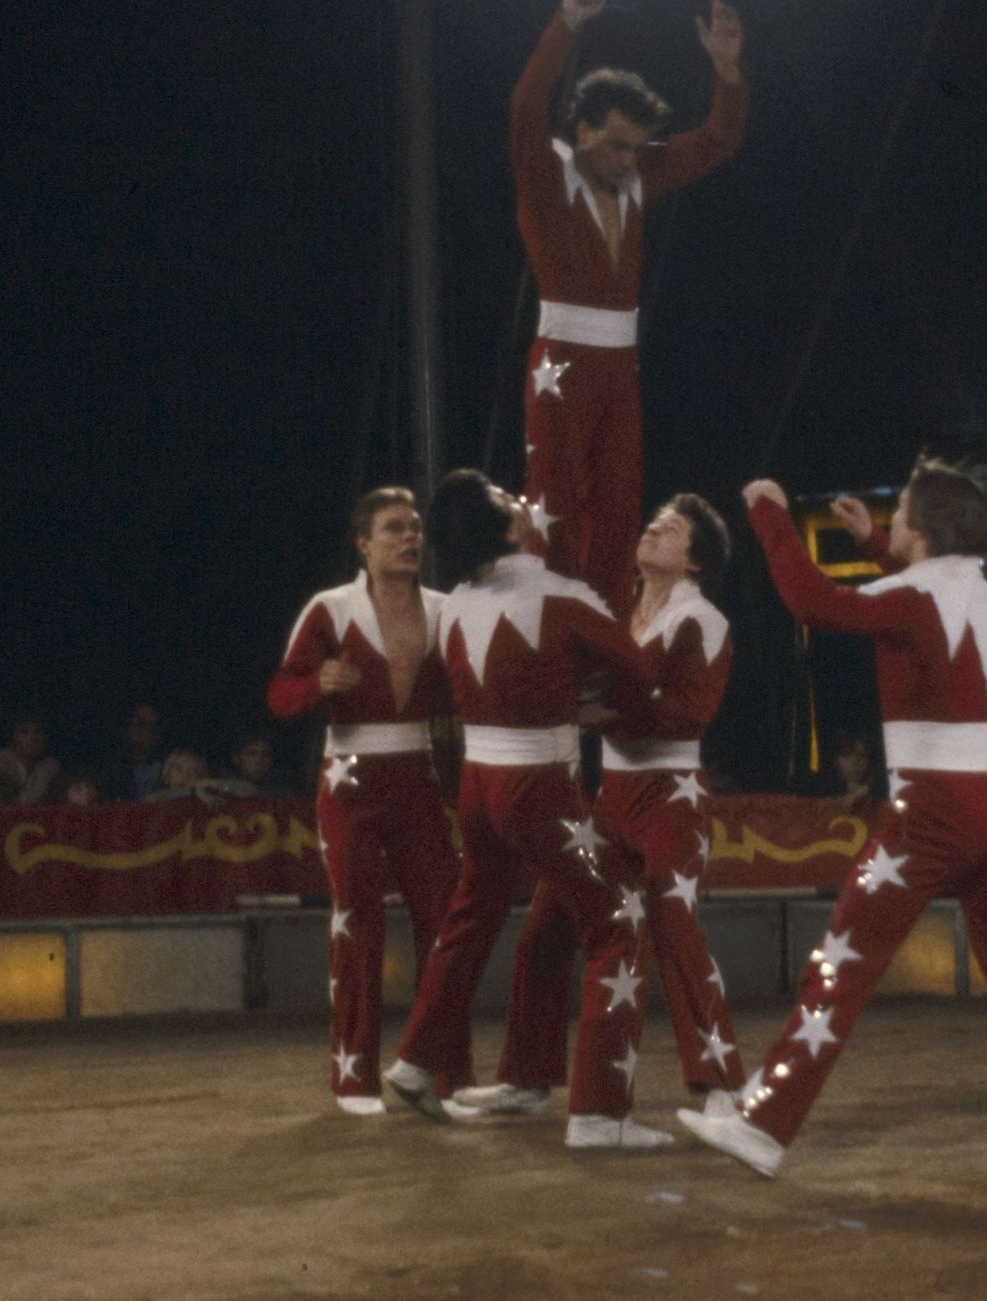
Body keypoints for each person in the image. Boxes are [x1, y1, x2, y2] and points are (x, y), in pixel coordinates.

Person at [680, 458, 987, 1180]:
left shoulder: (912, 597)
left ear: (920, 530)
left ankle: (763, 1124)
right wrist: (879, 545)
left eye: (903, 515)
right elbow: (925, 605)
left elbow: (811, 601)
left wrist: (768, 508)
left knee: (843, 961)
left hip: (931, 809)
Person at [381, 470, 668, 1151]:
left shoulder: (452, 604)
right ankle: (600, 1110)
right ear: (506, 524)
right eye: (511, 499)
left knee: (471, 914)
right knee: (617, 924)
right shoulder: (557, 596)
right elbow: (637, 671)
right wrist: (601, 709)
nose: (525, 502)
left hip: (479, 785)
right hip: (537, 783)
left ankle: (420, 1061)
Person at [465, 494, 749, 1121]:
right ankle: (525, 1080)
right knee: (547, 927)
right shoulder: (617, 614)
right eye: (651, 522)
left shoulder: (703, 620)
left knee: (672, 920)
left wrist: (607, 715)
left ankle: (721, 1084)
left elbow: (688, 714)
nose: (651, 530)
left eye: (670, 529)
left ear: (696, 561)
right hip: (613, 797)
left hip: (671, 796)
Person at [514, 0, 747, 613]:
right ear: (582, 130)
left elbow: (718, 142)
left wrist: (726, 68)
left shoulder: (638, 171)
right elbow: (527, 109)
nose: (626, 159)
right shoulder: (547, 173)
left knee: (620, 509)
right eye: (615, 144)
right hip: (562, 358)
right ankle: (557, 635)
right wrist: (566, 24)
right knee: (556, 507)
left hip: (620, 368)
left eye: (635, 147)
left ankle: (606, 645)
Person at [268, 487, 465, 1118]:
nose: (410, 538)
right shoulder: (330, 609)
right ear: (364, 544)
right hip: (349, 777)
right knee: (357, 923)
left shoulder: (445, 610)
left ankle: (446, 1075)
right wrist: (316, 684)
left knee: (446, 923)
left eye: (415, 529)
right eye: (393, 529)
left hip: (419, 775)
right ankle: (354, 1077)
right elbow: (280, 694)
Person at [0, 714, 59, 806]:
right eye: (23, 732)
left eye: (38, 732)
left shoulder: (51, 770)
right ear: (13, 736)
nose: (32, 738)